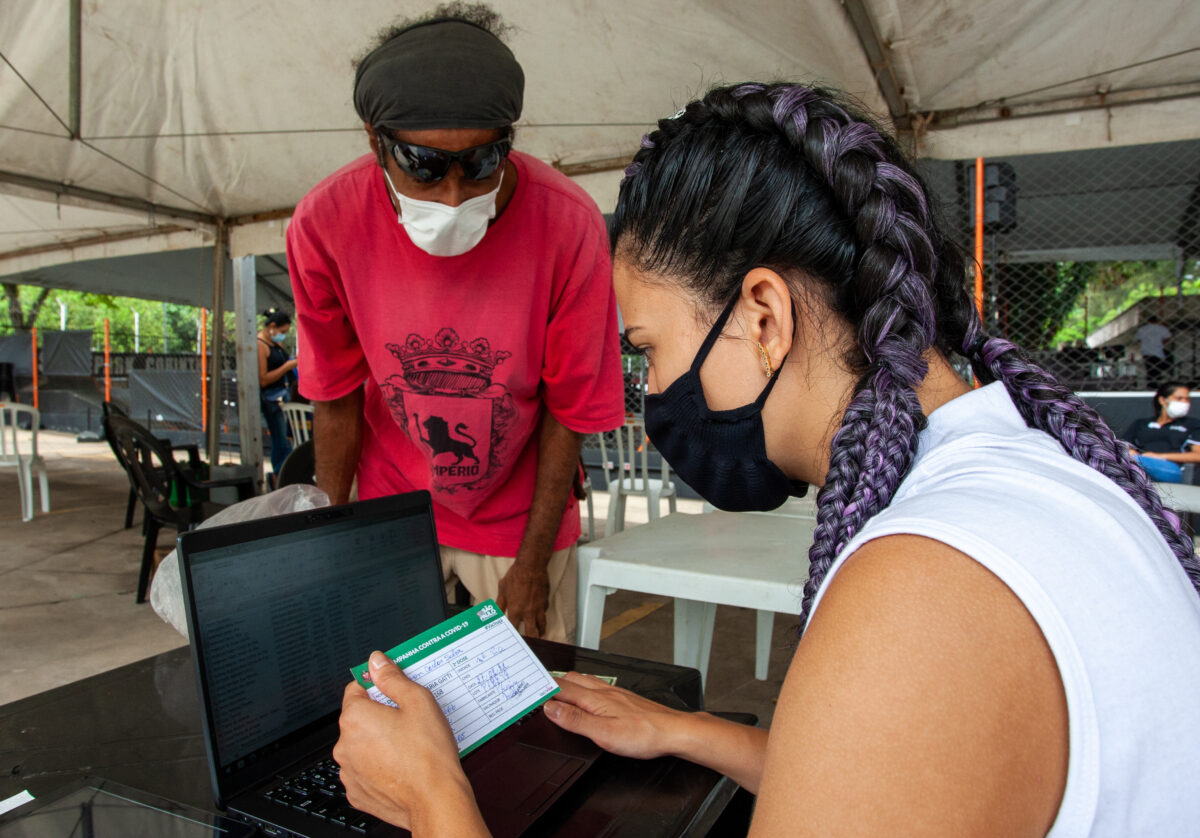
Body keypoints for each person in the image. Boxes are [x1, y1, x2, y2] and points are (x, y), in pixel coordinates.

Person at [333, 82, 1200, 836]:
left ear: (763, 316)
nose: (655, 387)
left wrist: (431, 795)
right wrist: (691, 732)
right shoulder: (1016, 479)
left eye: (649, 349)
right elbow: (900, 779)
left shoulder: (926, 590)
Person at [287, 3, 624, 642]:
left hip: (518, 521)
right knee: (387, 695)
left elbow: (569, 410)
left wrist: (530, 565)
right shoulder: (325, 223)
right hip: (394, 509)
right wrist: (329, 538)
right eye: (423, 165)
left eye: (480, 163)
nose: (452, 195)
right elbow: (334, 396)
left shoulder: (569, 225)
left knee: (526, 712)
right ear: (373, 140)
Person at [1123, 381, 1200, 481]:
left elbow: (1198, 455)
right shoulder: (1141, 423)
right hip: (1138, 462)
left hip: (1172, 469)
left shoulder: (1192, 424)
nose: (1184, 403)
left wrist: (1158, 456)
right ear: (1163, 400)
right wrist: (1130, 451)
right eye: (1179, 398)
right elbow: (1124, 445)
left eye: (1187, 399)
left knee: (1133, 462)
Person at [257, 307, 297, 478]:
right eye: (282, 331)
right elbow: (263, 379)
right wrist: (287, 366)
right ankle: (279, 475)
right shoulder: (260, 345)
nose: (283, 335)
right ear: (272, 326)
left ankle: (283, 474)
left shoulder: (274, 344)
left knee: (286, 439)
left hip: (283, 394)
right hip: (271, 399)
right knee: (280, 440)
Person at [1136, 314, 1172, 382]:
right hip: (1158, 351)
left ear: (1148, 321)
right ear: (1156, 321)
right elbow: (1168, 337)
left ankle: (1151, 382)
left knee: (1149, 368)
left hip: (1146, 351)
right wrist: (1161, 342)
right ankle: (1157, 380)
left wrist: (1146, 341)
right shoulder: (1162, 328)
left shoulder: (1143, 329)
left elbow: (1138, 339)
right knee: (1157, 367)